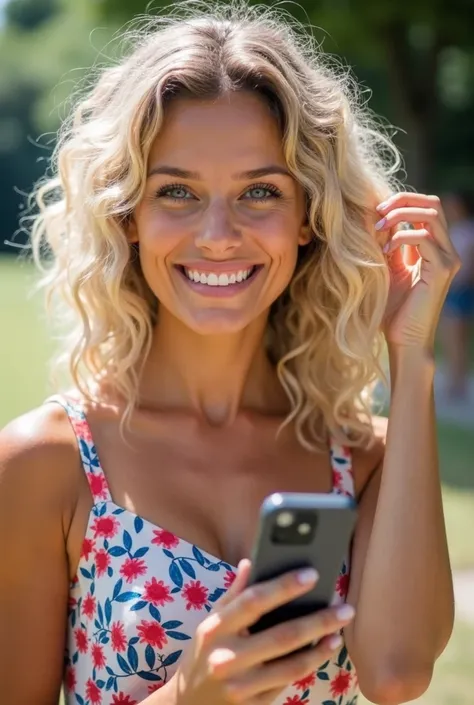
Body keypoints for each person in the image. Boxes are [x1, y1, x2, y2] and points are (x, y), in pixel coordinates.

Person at [0, 3, 458, 705]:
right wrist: (189, 693)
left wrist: (412, 355)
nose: (218, 234)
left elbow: (397, 673)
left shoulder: (366, 462)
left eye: (260, 192)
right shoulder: (47, 463)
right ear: (129, 216)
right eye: (177, 191)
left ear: (309, 215)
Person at [439, 191, 474, 399]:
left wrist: (451, 284)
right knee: (456, 339)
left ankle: (456, 383)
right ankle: (457, 381)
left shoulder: (465, 231)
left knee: (454, 338)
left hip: (458, 290)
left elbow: (467, 266)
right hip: (459, 289)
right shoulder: (459, 229)